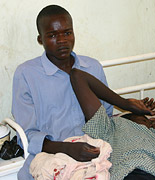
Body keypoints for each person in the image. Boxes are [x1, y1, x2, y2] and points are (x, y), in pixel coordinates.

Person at [12, 5, 113, 179]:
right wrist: (66, 148)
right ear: (40, 39)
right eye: (52, 35)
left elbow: (106, 118)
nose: (62, 40)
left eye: (67, 33)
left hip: (95, 149)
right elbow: (27, 136)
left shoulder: (92, 67)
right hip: (51, 155)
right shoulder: (26, 74)